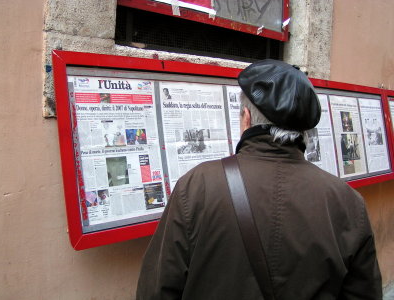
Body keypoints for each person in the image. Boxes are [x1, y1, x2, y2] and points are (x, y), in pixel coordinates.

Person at [136, 60, 382, 299]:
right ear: (304, 131)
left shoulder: (196, 185)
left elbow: (158, 288)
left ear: (246, 118)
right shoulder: (348, 202)